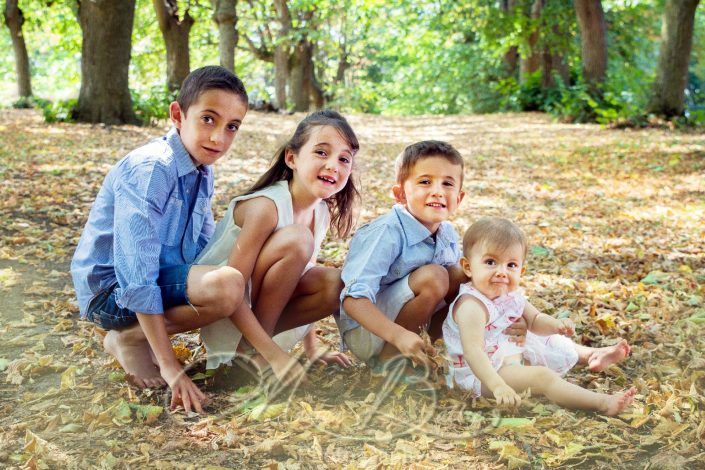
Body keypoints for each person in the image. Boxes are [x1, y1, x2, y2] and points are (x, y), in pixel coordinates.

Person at [71, 66, 279, 414]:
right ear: (178, 115)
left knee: (238, 277)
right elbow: (136, 273)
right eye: (208, 119)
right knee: (227, 285)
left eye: (232, 127)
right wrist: (170, 367)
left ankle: (137, 338)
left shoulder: (202, 169)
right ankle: (128, 338)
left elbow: (205, 247)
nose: (219, 138)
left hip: (157, 277)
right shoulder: (153, 168)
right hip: (111, 291)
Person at [197, 110, 357, 376]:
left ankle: (253, 354)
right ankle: (251, 356)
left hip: (261, 319)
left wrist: (312, 347)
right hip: (226, 311)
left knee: (334, 284)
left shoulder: (321, 212)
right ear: (291, 158)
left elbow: (300, 274)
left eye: (344, 159)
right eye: (321, 152)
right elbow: (232, 289)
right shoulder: (265, 207)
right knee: (297, 239)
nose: (333, 166)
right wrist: (274, 356)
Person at [338, 140, 504, 369]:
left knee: (465, 273)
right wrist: (397, 335)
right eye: (425, 182)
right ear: (400, 194)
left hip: (410, 327)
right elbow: (353, 300)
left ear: (459, 197)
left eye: (447, 184)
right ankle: (389, 362)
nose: (437, 191)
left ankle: (426, 350)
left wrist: (512, 318)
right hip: (369, 330)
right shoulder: (387, 231)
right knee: (435, 276)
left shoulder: (446, 232)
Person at [443, 217, 635, 416]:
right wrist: (498, 386)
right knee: (542, 377)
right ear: (467, 267)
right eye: (490, 262)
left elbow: (535, 320)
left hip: (507, 354)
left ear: (521, 270)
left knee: (551, 340)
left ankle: (591, 355)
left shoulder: (509, 296)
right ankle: (602, 402)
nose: (501, 272)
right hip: (483, 375)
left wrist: (557, 325)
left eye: (511, 265)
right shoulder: (472, 306)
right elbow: (473, 352)